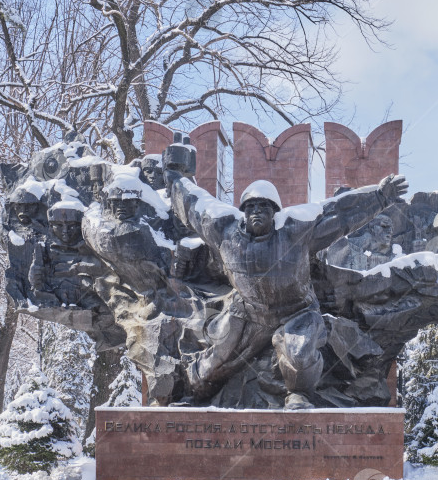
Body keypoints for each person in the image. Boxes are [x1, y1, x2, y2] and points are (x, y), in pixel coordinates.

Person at [168, 172, 408, 409]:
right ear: (243, 211)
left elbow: (340, 214)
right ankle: (195, 395)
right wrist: (174, 179)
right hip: (250, 314)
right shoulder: (223, 232)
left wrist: (379, 198)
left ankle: (299, 395)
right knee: (214, 363)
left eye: (264, 207)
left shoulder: (296, 232)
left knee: (299, 352)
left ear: (275, 212)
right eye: (251, 207)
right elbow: (194, 205)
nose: (257, 212)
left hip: (297, 311)